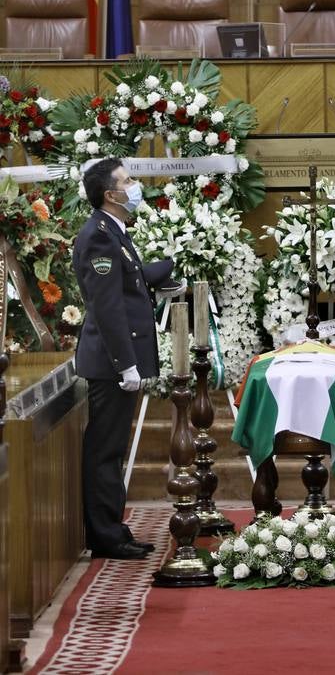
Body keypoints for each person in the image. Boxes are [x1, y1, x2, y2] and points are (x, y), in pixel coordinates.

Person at [74, 158, 174, 560]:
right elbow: (108, 305)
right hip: (109, 364)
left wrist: (164, 273)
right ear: (110, 194)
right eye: (128, 181)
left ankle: (113, 528)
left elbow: (127, 277)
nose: (135, 186)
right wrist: (125, 364)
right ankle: (105, 536)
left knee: (112, 449)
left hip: (114, 360)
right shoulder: (98, 235)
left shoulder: (112, 230)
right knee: (105, 451)